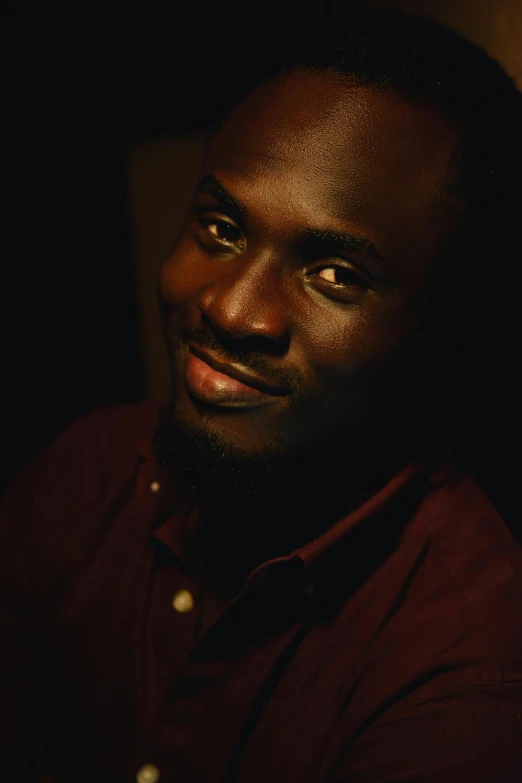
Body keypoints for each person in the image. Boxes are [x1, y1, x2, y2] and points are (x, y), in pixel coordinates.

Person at [1, 10, 521, 783]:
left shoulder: (467, 677)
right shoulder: (86, 471)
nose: (232, 309)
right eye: (220, 228)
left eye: (335, 275)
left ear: (449, 328)